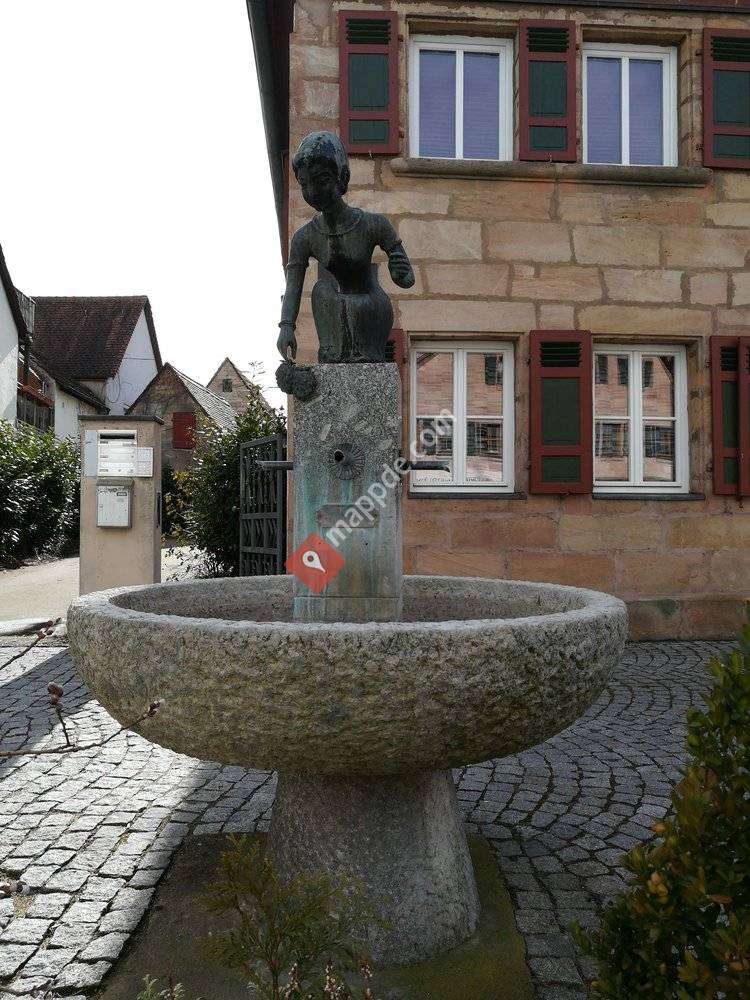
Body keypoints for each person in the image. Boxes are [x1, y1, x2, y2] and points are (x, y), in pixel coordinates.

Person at [277, 131, 415, 364]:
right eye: (304, 184)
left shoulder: (374, 224)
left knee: (343, 307)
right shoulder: (305, 237)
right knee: (322, 291)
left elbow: (407, 279)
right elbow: (293, 288)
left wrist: (399, 268)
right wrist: (286, 327)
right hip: (334, 309)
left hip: (370, 307)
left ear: (341, 177)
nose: (312, 192)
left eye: (321, 181)